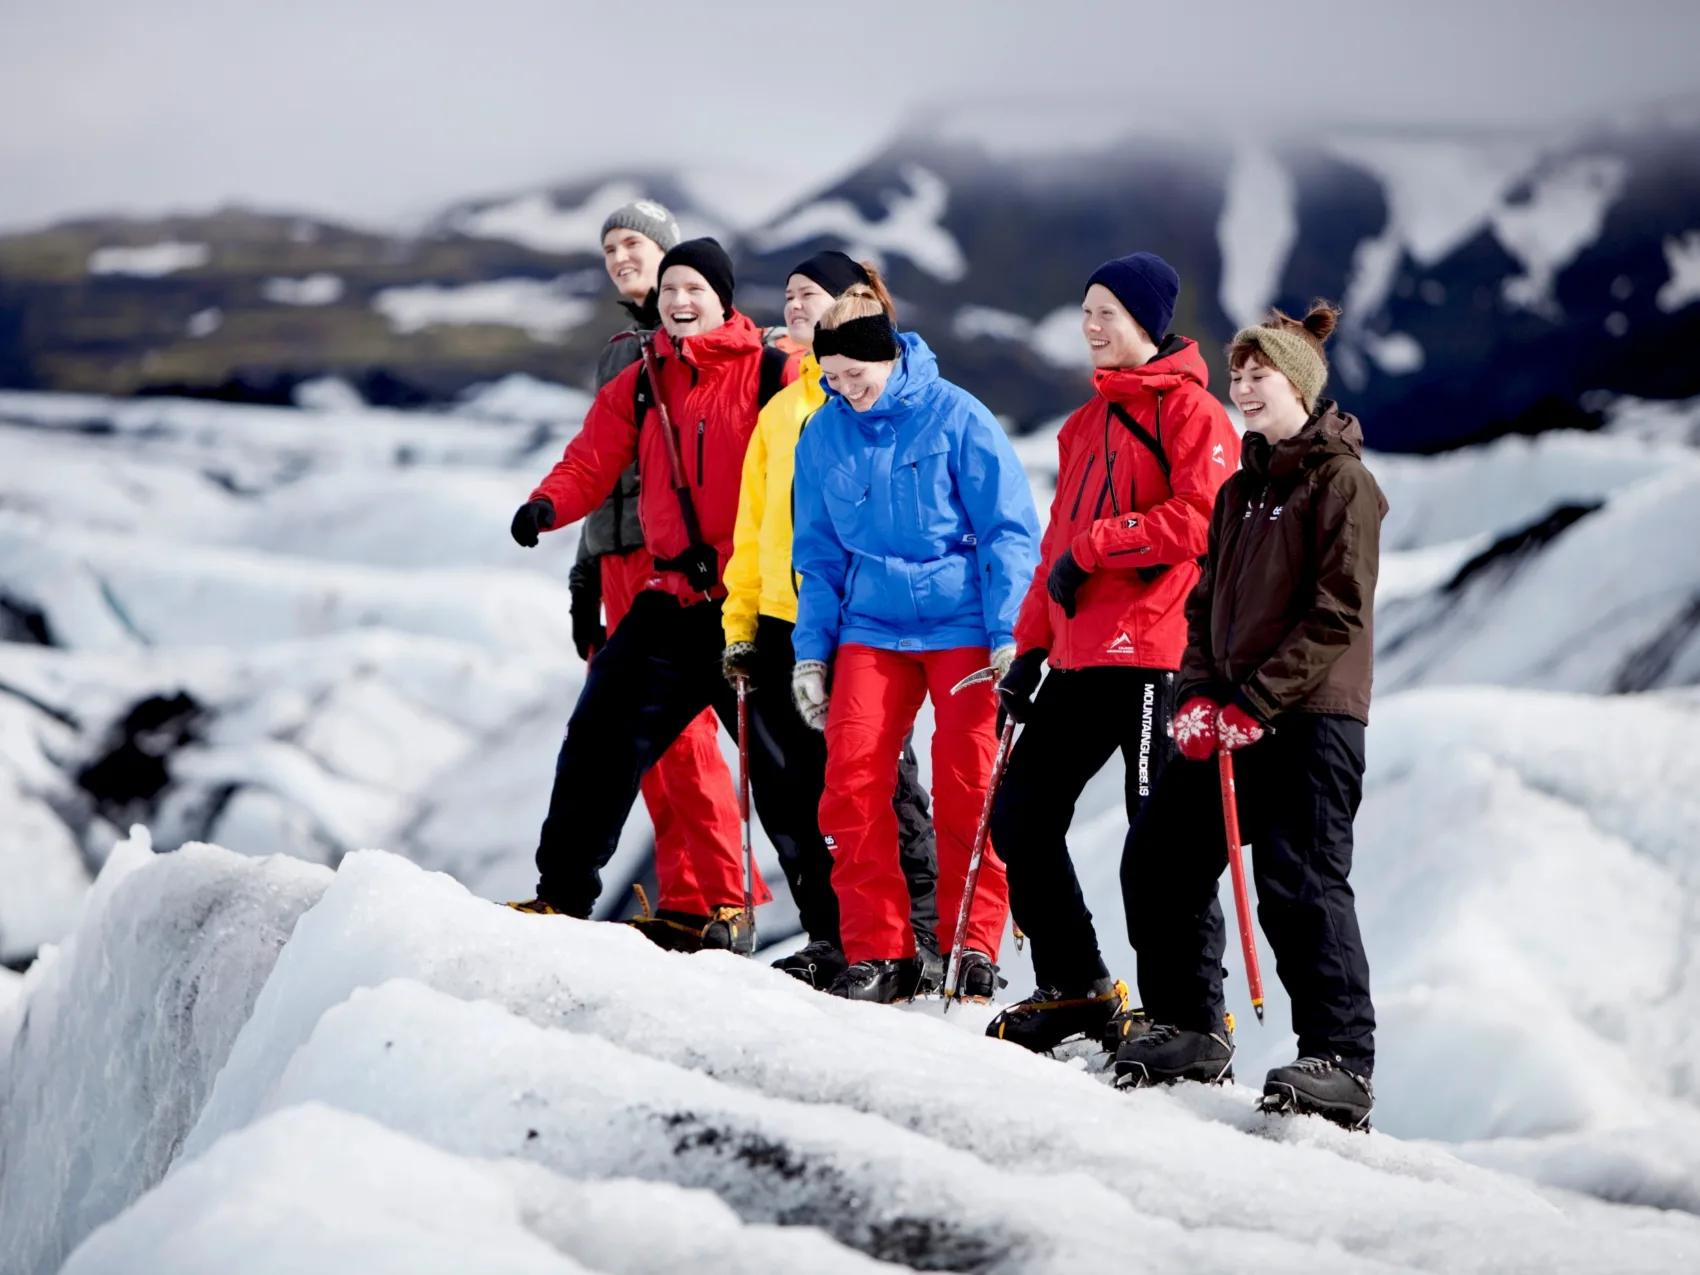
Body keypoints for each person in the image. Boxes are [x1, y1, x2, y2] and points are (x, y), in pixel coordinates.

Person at [1115, 301, 1386, 1130]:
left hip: (1311, 716)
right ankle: (1192, 1026)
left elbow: (1339, 612)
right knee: (1157, 856)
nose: (1241, 386)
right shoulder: (1239, 491)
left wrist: (1257, 702)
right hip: (1231, 713)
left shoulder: (1342, 481)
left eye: (1257, 373)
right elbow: (1203, 611)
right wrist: (1198, 697)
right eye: (1236, 374)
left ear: (1298, 384)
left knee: (1300, 884)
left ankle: (1341, 1059)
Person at [983, 252, 1241, 1052]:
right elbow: (1054, 548)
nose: (1092, 327)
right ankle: (1078, 986)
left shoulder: (1194, 415)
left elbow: (1203, 519)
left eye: (1109, 315)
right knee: (1019, 814)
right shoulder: (1085, 425)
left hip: (1157, 651)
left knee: (1161, 836)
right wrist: (1027, 649)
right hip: (1080, 656)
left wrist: (1099, 543)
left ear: (1148, 325)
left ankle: (1192, 1019)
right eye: (1086, 312)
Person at [508, 237, 796, 952]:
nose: (679, 301)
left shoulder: (772, 372)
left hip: (755, 605)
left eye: (695, 288)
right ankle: (561, 896)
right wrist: (548, 505)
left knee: (792, 777)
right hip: (672, 602)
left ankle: (845, 934)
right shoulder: (643, 379)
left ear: (723, 297)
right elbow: (592, 457)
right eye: (670, 291)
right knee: (598, 736)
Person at [791, 283, 1041, 1003]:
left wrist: (1009, 635)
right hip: (871, 627)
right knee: (851, 779)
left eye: (853, 375)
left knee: (969, 783)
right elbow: (819, 554)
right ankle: (881, 951)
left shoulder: (958, 417)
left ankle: (973, 944)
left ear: (887, 357)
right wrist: (814, 651)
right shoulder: (824, 432)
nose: (844, 390)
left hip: (962, 625)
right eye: (830, 378)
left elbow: (1007, 533)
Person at [722, 252, 942, 990]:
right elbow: (753, 526)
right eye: (785, 296)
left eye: (806, 295)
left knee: (878, 779)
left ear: (850, 304)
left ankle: (919, 933)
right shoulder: (783, 410)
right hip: (789, 620)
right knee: (795, 791)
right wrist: (741, 621)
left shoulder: (877, 395)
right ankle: (835, 932)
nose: (790, 307)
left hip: (866, 620)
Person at [558, 200, 766, 952]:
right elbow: (604, 468)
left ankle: (717, 895)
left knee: (685, 740)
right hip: (619, 559)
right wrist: (586, 572)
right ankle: (687, 894)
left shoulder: (698, 346)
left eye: (635, 242)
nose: (620, 255)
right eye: (610, 245)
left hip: (678, 564)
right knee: (634, 746)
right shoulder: (625, 350)